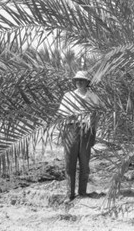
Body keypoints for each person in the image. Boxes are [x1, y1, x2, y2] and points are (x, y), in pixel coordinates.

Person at [57, 70, 101, 203]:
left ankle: (82, 192)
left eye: (82, 80)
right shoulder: (68, 96)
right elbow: (63, 114)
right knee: (70, 162)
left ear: (87, 82)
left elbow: (96, 116)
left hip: (87, 130)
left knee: (84, 162)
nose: (79, 82)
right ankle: (69, 194)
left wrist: (93, 133)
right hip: (71, 129)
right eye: (77, 80)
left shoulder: (93, 97)